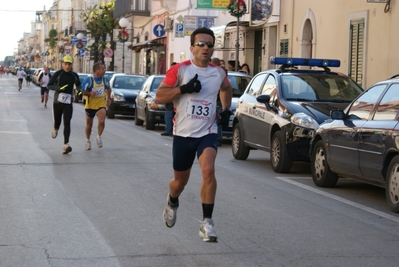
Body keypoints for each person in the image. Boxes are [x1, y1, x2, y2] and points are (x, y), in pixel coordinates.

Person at [156, 27, 233, 242]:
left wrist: (225, 109)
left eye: (210, 44)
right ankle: (172, 200)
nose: (206, 47)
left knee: (208, 170)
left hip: (207, 132)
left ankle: (206, 223)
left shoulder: (219, 73)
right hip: (183, 134)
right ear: (192, 48)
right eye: (201, 44)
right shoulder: (180, 71)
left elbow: (226, 89)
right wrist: (184, 89)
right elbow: (160, 95)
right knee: (179, 183)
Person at [47, 55, 81, 154]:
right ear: (62, 64)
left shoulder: (74, 75)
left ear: (71, 65)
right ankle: (55, 128)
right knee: (58, 122)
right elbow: (49, 85)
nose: (67, 66)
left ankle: (66, 145)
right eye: (65, 64)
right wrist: (59, 88)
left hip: (68, 103)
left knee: (67, 122)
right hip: (57, 102)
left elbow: (78, 85)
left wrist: (80, 91)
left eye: (69, 64)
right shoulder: (58, 74)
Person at [81, 62, 111, 150]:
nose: (104, 71)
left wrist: (108, 98)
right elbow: (82, 92)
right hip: (90, 106)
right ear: (97, 70)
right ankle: (87, 140)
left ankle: (98, 137)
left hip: (101, 104)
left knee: (102, 120)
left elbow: (108, 88)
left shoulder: (105, 80)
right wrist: (90, 93)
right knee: (89, 125)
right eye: (102, 69)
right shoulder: (89, 80)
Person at [161, 62, 178, 137]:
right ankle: (169, 130)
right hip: (170, 102)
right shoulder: (170, 77)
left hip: (175, 102)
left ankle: (170, 131)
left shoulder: (178, 77)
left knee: (171, 116)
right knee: (168, 116)